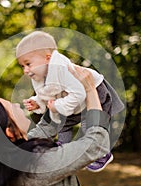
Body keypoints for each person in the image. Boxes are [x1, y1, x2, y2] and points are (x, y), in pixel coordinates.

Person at [0, 65, 111, 186]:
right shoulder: (38, 167)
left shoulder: (11, 159)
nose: (17, 105)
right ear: (9, 132)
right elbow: (96, 144)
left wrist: (57, 101)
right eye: (12, 107)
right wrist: (90, 89)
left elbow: (46, 128)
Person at [16, 30, 124, 172]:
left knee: (90, 123)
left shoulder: (62, 69)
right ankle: (62, 147)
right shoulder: (41, 75)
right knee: (63, 123)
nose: (25, 70)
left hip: (93, 91)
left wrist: (57, 106)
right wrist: (38, 102)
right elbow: (47, 93)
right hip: (71, 100)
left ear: (48, 58)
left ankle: (102, 153)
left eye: (28, 64)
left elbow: (79, 94)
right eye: (23, 66)